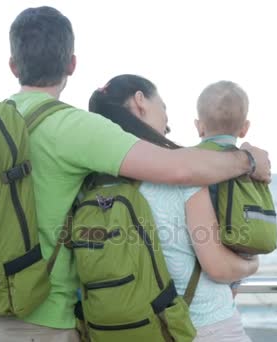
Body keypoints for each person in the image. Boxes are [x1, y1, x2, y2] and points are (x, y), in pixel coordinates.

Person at [0, 6, 271, 342]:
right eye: (162, 107)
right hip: (42, 317)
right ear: (71, 64)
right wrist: (248, 162)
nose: (167, 120)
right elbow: (181, 169)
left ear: (13, 65)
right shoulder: (74, 129)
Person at [89, 74, 258, 342]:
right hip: (203, 326)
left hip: (132, 330)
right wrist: (251, 266)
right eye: (164, 107)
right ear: (140, 101)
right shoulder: (185, 175)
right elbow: (217, 267)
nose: (167, 118)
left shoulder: (94, 180)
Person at [194, 80, 271, 299]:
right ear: (244, 128)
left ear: (199, 126)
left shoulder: (191, 160)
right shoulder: (251, 165)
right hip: (234, 254)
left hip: (197, 254)